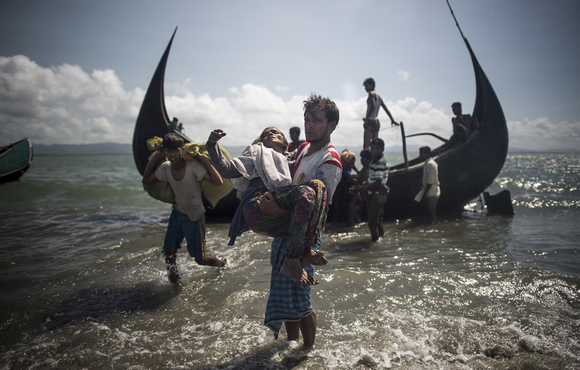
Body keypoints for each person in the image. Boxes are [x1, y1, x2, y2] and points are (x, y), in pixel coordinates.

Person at [259, 94, 342, 348]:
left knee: (302, 302)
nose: (309, 124)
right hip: (284, 235)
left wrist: (276, 212)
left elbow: (317, 215)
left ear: (331, 126)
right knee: (285, 299)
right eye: (307, 119)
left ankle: (307, 354)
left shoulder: (330, 162)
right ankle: (290, 345)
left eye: (316, 120)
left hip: (304, 241)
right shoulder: (304, 149)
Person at [206, 126, 327, 286]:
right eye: (266, 134)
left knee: (319, 187)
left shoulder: (290, 162)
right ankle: (292, 259)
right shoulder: (256, 153)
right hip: (257, 205)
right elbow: (227, 170)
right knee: (307, 193)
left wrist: (279, 211)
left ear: (284, 144)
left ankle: (304, 252)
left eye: (275, 132)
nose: (270, 134)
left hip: (277, 211)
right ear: (261, 140)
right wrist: (212, 145)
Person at [142, 133, 226, 284]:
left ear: (182, 150)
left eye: (176, 151)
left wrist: (202, 159)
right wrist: (157, 157)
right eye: (168, 151)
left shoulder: (193, 166)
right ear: (165, 152)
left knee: (200, 260)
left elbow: (218, 182)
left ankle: (221, 263)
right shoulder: (166, 168)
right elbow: (146, 180)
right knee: (169, 254)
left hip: (195, 217)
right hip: (177, 214)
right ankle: (174, 284)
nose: (172, 155)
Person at [350, 138, 389, 241]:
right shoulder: (374, 161)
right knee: (378, 219)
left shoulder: (379, 162)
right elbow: (372, 179)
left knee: (372, 224)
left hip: (377, 194)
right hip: (375, 193)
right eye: (373, 148)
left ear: (382, 149)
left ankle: (374, 247)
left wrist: (362, 188)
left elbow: (378, 182)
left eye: (377, 148)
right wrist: (364, 185)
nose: (375, 150)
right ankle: (382, 239)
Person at [363, 78, 398, 150]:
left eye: (366, 86)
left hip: (370, 122)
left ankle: (367, 160)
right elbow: (386, 109)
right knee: (374, 146)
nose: (365, 88)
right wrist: (392, 120)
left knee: (366, 146)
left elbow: (373, 106)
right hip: (376, 123)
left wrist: (366, 119)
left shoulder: (371, 94)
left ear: (372, 85)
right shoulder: (379, 97)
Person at [414, 146, 440, 222]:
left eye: (421, 154)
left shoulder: (429, 164)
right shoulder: (429, 163)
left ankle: (434, 226)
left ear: (427, 154)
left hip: (432, 192)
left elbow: (430, 181)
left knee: (431, 212)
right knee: (430, 212)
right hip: (432, 191)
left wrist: (425, 193)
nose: (420, 156)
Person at [347, 149, 372, 226]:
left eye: (362, 158)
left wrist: (349, 179)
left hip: (358, 196)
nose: (361, 160)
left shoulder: (366, 171)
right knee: (355, 216)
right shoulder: (364, 169)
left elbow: (358, 182)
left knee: (350, 218)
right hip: (359, 195)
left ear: (368, 160)